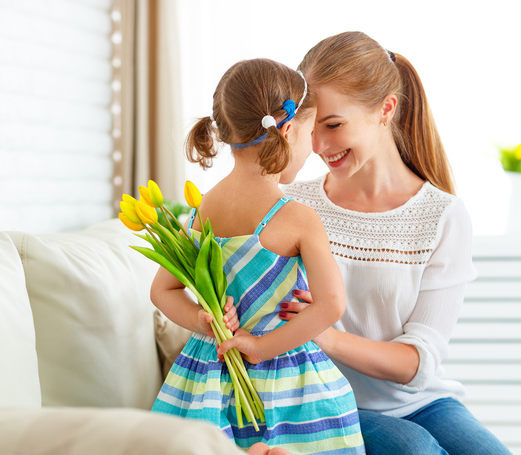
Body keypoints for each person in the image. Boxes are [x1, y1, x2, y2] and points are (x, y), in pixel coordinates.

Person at [278, 31, 512, 455]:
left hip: (421, 402)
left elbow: (417, 364)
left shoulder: (442, 216)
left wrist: (325, 334)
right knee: (415, 450)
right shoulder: (293, 206)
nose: (317, 147)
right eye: (311, 128)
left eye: (333, 125)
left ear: (386, 109)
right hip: (322, 397)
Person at [150, 58, 365, 455]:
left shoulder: (202, 210)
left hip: (208, 376)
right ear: (286, 130)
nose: (313, 149)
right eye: (309, 133)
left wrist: (204, 319)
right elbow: (332, 304)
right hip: (285, 380)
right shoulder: (298, 218)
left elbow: (162, 291)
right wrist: (262, 348)